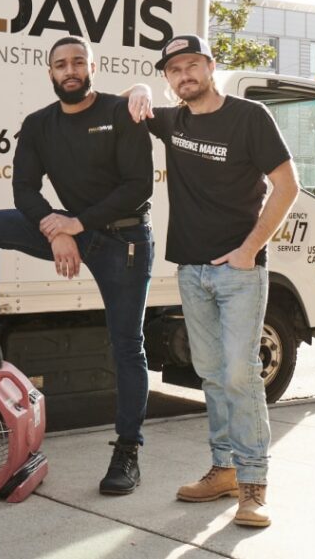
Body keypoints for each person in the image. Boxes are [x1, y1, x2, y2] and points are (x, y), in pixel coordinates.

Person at [0, 36, 155, 496]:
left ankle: (127, 452)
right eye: (60, 64)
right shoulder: (38, 124)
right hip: (73, 229)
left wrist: (74, 224)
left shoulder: (120, 112)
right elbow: (25, 190)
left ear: (93, 66)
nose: (69, 70)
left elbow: (137, 186)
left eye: (78, 62)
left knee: (127, 346)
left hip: (124, 239)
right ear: (49, 72)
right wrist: (57, 231)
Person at [125, 34, 299, 527]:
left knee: (242, 375)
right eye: (174, 70)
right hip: (191, 272)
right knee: (211, 373)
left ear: (210, 66)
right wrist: (137, 86)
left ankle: (253, 485)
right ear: (169, 78)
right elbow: (130, 102)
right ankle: (222, 469)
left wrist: (250, 250)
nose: (184, 75)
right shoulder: (173, 120)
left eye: (192, 65)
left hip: (240, 273)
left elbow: (288, 185)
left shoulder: (249, 118)